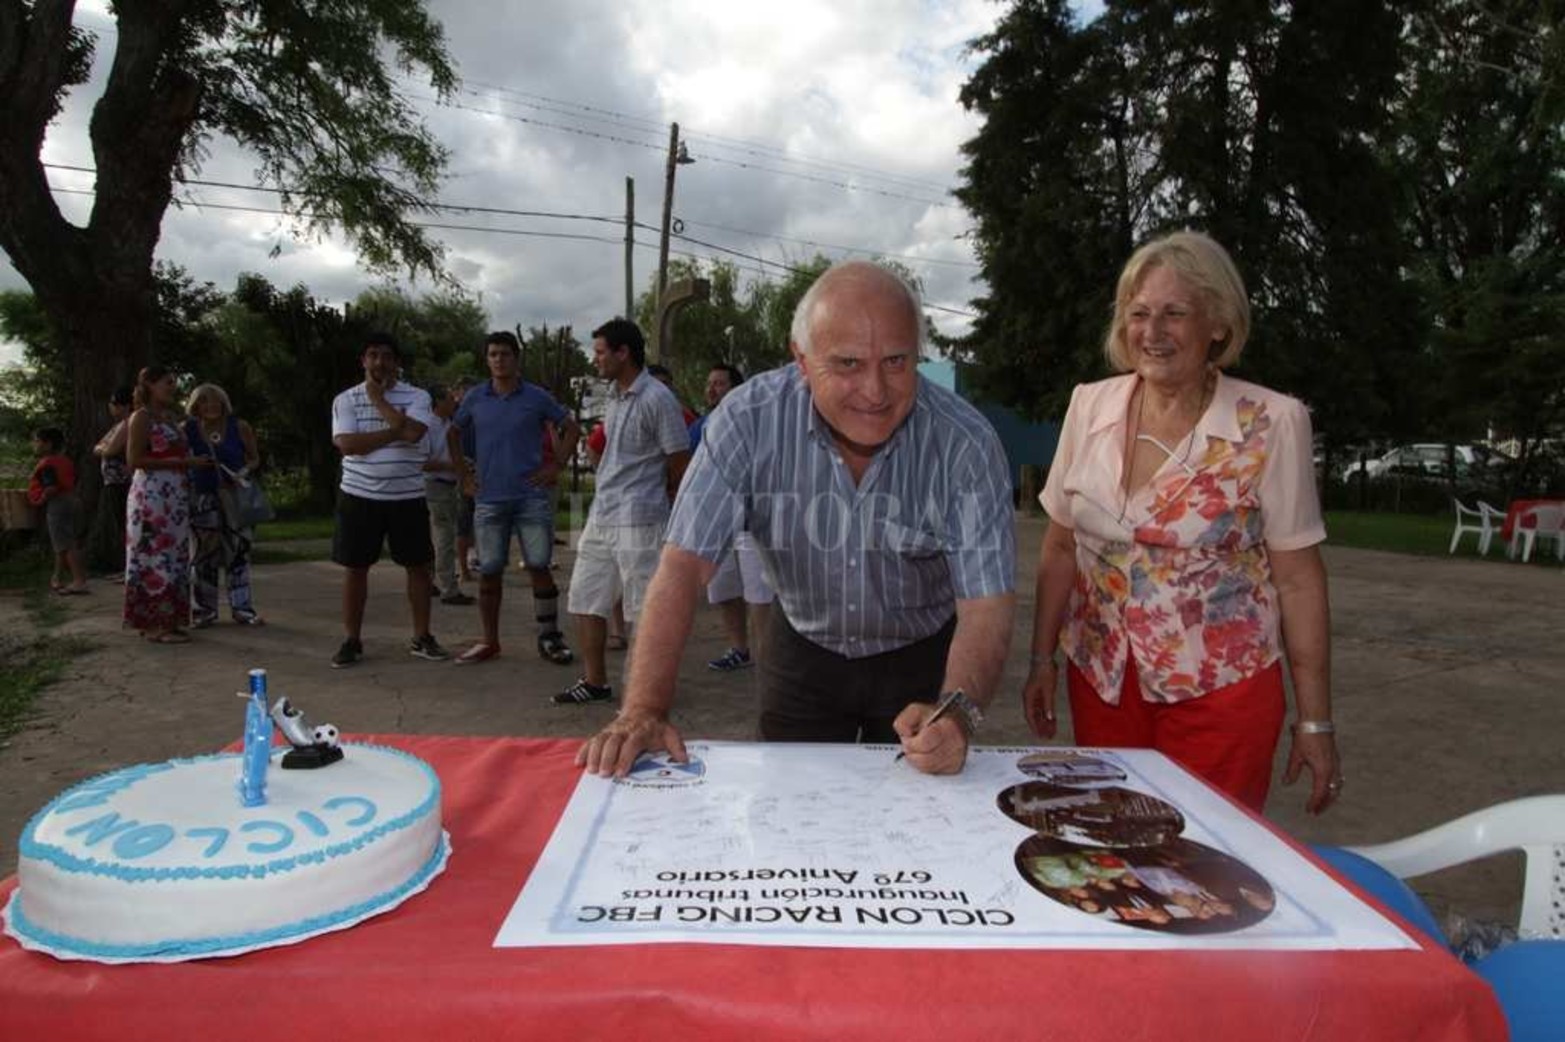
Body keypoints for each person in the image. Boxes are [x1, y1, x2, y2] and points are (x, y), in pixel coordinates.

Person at [576, 262, 1016, 776]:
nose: (876, 391)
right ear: (802, 361)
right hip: (802, 649)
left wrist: (956, 714)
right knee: (786, 808)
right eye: (848, 363)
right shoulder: (747, 420)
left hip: (923, 655)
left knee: (921, 820)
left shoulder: (965, 442)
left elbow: (986, 605)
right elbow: (681, 567)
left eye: (897, 361)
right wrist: (643, 710)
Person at [1020, 230, 1341, 815]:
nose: (1152, 332)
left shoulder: (1271, 422)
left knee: (1206, 865)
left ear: (1218, 323)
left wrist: (1315, 720)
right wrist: (1042, 660)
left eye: (1175, 313)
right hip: (1102, 684)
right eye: (1138, 313)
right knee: (1113, 842)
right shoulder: (1088, 406)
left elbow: (1298, 580)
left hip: (1221, 695)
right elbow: (1061, 548)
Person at [555, 319, 691, 705]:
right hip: (603, 513)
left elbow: (680, 460)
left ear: (622, 353)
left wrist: (672, 509)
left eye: (600, 351)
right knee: (585, 597)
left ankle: (646, 692)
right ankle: (595, 682)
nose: (594, 359)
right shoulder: (614, 396)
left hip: (641, 517)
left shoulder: (658, 399)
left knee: (643, 608)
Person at [449, 331, 581, 666]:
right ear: (487, 359)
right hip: (489, 497)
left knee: (539, 565)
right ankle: (489, 640)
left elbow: (572, 428)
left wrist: (557, 466)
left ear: (516, 358)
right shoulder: (476, 398)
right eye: (493, 354)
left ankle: (550, 637)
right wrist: (463, 475)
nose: (498, 360)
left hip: (531, 496)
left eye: (505, 354)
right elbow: (452, 432)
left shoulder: (536, 397)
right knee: (490, 570)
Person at [329, 332, 448, 667]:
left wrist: (378, 400)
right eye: (372, 355)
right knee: (356, 568)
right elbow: (349, 445)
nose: (379, 362)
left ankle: (422, 636)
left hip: (407, 495)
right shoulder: (346, 400)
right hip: (359, 494)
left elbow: (414, 434)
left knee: (418, 567)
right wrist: (395, 429)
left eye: (386, 355)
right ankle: (352, 639)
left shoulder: (417, 396)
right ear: (363, 361)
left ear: (397, 362)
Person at [689, 363, 775, 673]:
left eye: (720, 383)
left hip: (753, 523)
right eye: (709, 383)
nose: (712, 389)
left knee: (759, 593)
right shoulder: (700, 426)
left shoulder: (755, 421)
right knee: (723, 589)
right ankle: (740, 649)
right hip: (717, 524)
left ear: (736, 389)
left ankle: (768, 661)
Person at [124, 365, 212, 643]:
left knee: (174, 558)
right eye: (167, 382)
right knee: (153, 555)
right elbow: (134, 460)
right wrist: (185, 462)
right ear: (149, 384)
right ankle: (154, 624)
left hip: (175, 495)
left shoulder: (171, 418)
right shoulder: (141, 417)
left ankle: (170, 619)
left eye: (174, 382)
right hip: (151, 497)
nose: (172, 387)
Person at [185, 384, 264, 627]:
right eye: (204, 401)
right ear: (195, 405)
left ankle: (242, 609)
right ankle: (204, 611)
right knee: (203, 555)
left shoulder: (239, 427)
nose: (210, 406)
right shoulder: (186, 429)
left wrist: (243, 471)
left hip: (234, 495)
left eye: (215, 401)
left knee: (238, 552)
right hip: (202, 497)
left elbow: (254, 458)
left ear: (224, 403)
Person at [422, 383, 473, 606]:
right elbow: (422, 462)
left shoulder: (448, 424)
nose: (454, 402)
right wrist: (452, 466)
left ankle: (429, 581)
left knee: (437, 538)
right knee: (444, 538)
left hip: (447, 485)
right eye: (450, 399)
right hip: (435, 485)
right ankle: (448, 588)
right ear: (438, 403)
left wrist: (462, 464)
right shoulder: (428, 426)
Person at [29, 426, 88, 595]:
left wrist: (40, 500)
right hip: (73, 500)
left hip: (58, 504)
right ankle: (57, 577)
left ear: (47, 444)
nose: (34, 445)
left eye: (37, 441)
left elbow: (51, 487)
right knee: (63, 542)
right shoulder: (65, 461)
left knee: (66, 544)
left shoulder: (47, 464)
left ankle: (79, 580)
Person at [93, 386, 134, 581]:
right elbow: (99, 446)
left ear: (124, 406)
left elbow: (109, 450)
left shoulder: (128, 424)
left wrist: (104, 448)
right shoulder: (117, 426)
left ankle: (130, 567)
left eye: (113, 404)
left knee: (126, 525)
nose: (110, 407)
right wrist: (104, 448)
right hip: (113, 482)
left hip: (122, 482)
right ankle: (125, 566)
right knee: (120, 525)